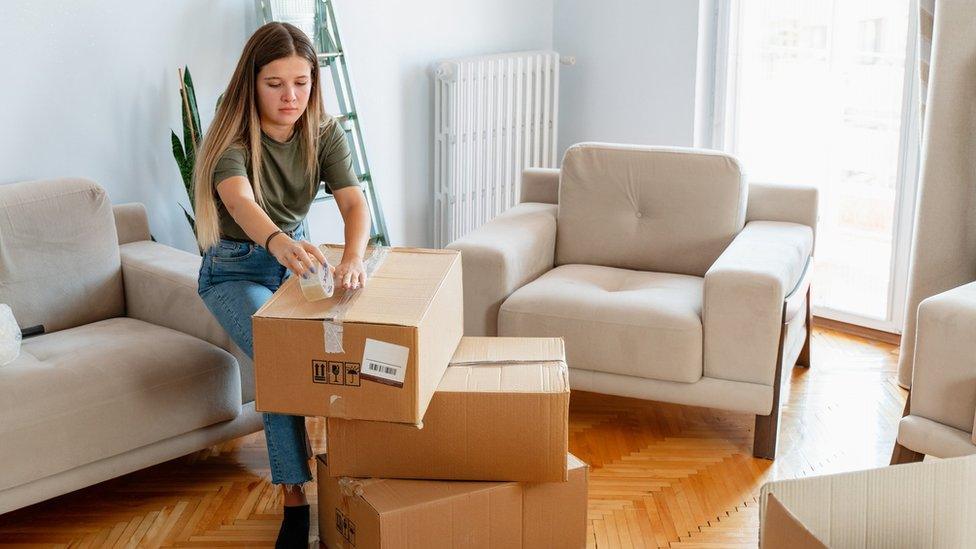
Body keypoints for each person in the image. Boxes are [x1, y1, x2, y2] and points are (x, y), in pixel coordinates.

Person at [192, 22, 371, 548]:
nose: (291, 96)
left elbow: (354, 203)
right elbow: (239, 201)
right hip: (235, 269)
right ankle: (295, 497)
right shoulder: (231, 136)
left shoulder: (326, 131)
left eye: (302, 81)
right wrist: (276, 243)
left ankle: (357, 477)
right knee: (281, 360)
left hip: (295, 263)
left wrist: (354, 259)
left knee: (348, 350)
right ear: (251, 82)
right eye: (275, 84)